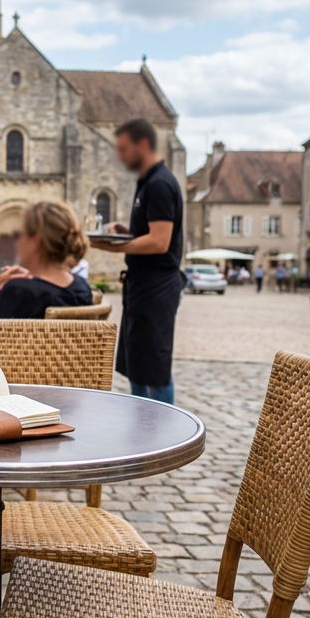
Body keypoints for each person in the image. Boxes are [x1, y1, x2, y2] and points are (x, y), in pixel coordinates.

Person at [90, 118, 185, 405]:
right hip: (142, 286)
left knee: (155, 370)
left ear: (142, 145)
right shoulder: (148, 183)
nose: (120, 156)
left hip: (156, 287)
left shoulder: (159, 184)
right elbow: (150, 234)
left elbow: (159, 241)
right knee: (138, 367)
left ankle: (164, 435)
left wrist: (116, 248)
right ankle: (142, 428)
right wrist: (126, 233)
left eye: (124, 149)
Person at [0, 202, 93, 319]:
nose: (17, 243)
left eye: (20, 235)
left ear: (35, 241)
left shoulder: (19, 291)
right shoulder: (81, 287)